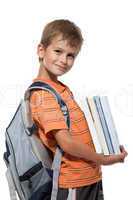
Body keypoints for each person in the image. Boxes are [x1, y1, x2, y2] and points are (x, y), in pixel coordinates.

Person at [30, 19, 128, 200]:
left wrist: (107, 149)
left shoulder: (60, 88)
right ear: (41, 50)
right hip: (72, 184)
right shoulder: (43, 95)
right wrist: (102, 159)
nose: (64, 60)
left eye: (71, 55)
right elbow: (66, 143)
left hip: (88, 177)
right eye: (58, 51)